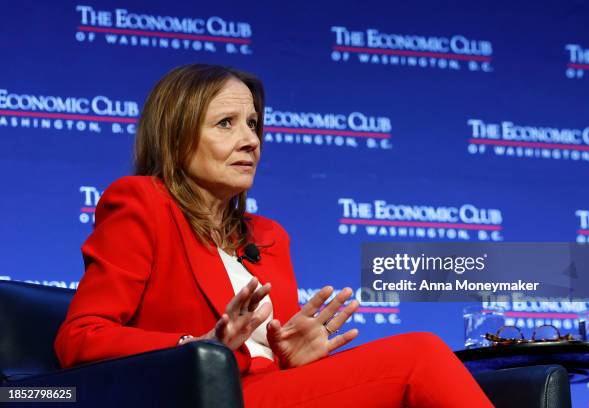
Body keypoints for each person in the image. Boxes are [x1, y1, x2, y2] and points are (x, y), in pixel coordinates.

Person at [54, 64, 493, 407]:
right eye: (226, 123)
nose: (250, 140)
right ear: (176, 136)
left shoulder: (268, 236)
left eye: (253, 123)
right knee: (419, 355)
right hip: (198, 400)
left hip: (269, 394)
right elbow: (80, 338)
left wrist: (292, 357)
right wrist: (196, 348)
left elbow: (278, 369)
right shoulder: (141, 203)